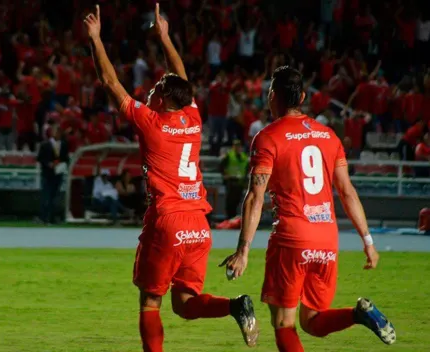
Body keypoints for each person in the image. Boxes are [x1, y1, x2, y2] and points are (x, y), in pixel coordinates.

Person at [83, 4, 259, 352]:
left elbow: (109, 81)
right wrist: (164, 36)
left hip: (168, 220)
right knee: (184, 304)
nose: (149, 90)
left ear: (162, 98)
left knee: (151, 303)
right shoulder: (192, 118)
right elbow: (181, 77)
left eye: (155, 88)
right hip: (198, 224)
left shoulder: (152, 123)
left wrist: (95, 39)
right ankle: (235, 305)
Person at [220, 66, 396, 352]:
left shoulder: (267, 137)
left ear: (271, 96)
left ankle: (358, 315)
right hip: (326, 238)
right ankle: (358, 314)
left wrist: (243, 251)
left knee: (283, 325)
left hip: (292, 238)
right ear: (302, 96)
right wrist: (368, 242)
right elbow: (347, 192)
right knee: (312, 321)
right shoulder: (328, 136)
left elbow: (255, 196)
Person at [36, 125, 69, 224]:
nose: (57, 134)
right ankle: (43, 217)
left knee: (55, 197)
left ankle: (52, 218)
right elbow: (40, 158)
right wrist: (48, 163)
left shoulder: (63, 144)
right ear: (52, 133)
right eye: (55, 132)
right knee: (46, 196)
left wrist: (61, 164)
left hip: (58, 174)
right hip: (47, 174)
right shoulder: (45, 144)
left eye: (59, 132)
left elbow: (66, 159)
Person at [220, 140, 249, 220]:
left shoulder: (244, 156)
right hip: (231, 180)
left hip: (240, 181)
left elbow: (246, 169)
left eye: (239, 146)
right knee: (230, 200)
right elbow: (221, 166)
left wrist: (246, 180)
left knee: (238, 200)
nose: (237, 148)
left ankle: (234, 217)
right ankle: (229, 217)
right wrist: (225, 175)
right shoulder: (229, 155)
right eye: (236, 146)